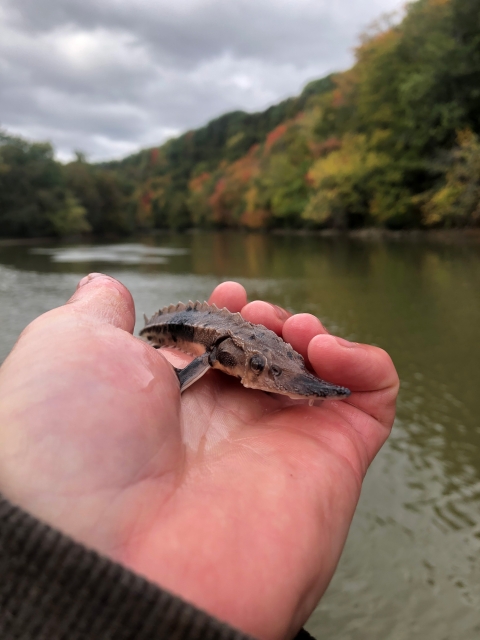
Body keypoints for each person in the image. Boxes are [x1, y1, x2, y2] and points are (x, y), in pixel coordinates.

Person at [0, 274, 399, 640]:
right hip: (171, 333)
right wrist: (170, 382)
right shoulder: (210, 353)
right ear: (220, 356)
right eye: (262, 368)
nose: (275, 378)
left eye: (280, 369)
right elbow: (200, 356)